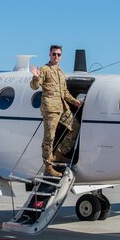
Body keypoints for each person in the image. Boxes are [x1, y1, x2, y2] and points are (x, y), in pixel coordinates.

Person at [30, 45, 82, 177]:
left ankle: (59, 153)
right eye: (54, 54)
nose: (56, 57)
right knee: (49, 137)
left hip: (62, 107)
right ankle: (48, 165)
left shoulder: (60, 72)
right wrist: (35, 77)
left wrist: (75, 102)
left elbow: (64, 92)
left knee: (75, 127)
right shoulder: (44, 70)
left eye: (58, 54)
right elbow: (34, 86)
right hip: (50, 109)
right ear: (49, 55)